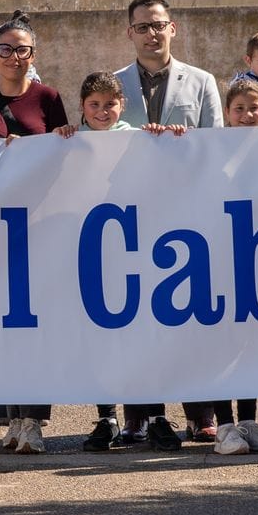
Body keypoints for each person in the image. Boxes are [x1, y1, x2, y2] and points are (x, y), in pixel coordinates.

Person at [0, 14, 68, 455]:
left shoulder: (50, 98)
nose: (14, 57)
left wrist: (64, 135)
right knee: (4, 326)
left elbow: (63, 153)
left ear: (32, 56)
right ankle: (13, 417)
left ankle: (35, 420)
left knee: (35, 326)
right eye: (5, 49)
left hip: (37, 226)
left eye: (22, 49)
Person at [58, 73, 184, 453]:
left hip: (137, 249)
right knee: (102, 341)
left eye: (109, 104)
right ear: (82, 106)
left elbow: (168, 169)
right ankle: (106, 418)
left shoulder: (140, 137)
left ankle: (158, 416)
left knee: (145, 335)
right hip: (93, 255)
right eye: (94, 105)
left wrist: (169, 138)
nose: (102, 111)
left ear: (121, 105)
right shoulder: (69, 140)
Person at [195, 80, 258, 453]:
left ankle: (248, 421)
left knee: (250, 343)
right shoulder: (212, 149)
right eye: (239, 109)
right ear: (227, 114)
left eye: (254, 108)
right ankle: (225, 425)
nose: (247, 116)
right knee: (221, 342)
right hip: (217, 258)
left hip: (256, 258)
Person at [113, 0, 223, 132]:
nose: (151, 33)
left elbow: (215, 139)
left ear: (172, 29)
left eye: (159, 26)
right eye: (142, 27)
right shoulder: (114, 84)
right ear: (130, 33)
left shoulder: (202, 82)